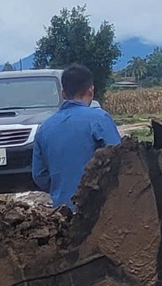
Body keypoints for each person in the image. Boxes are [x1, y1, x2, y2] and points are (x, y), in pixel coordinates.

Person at [31, 63, 122, 210]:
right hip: (99, 212)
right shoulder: (99, 119)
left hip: (61, 212)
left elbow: (39, 175)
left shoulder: (44, 128)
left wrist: (61, 189)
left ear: (63, 94)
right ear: (91, 90)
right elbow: (121, 160)